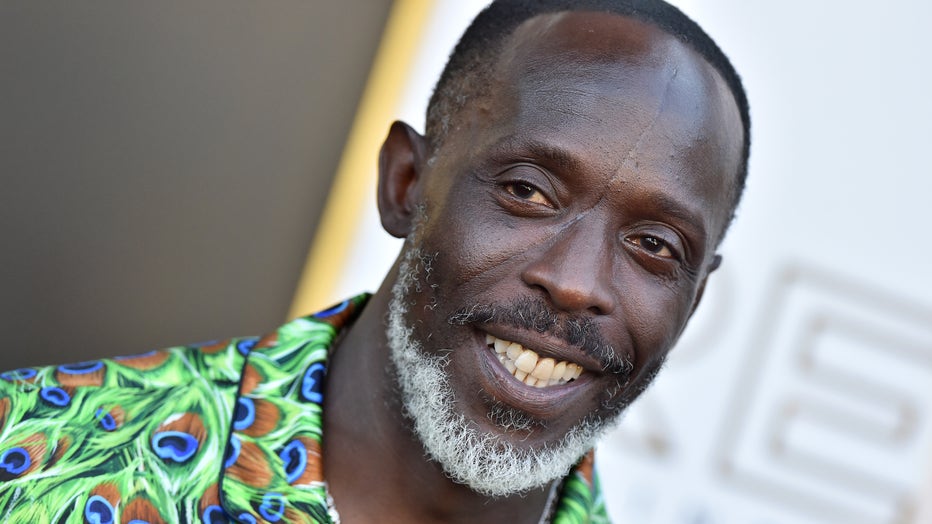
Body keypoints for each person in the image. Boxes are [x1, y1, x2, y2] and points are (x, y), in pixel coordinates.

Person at [0, 0, 750, 522]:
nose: (577, 283)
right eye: (528, 192)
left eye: (655, 246)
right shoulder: (33, 460)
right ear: (406, 185)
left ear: (694, 300)